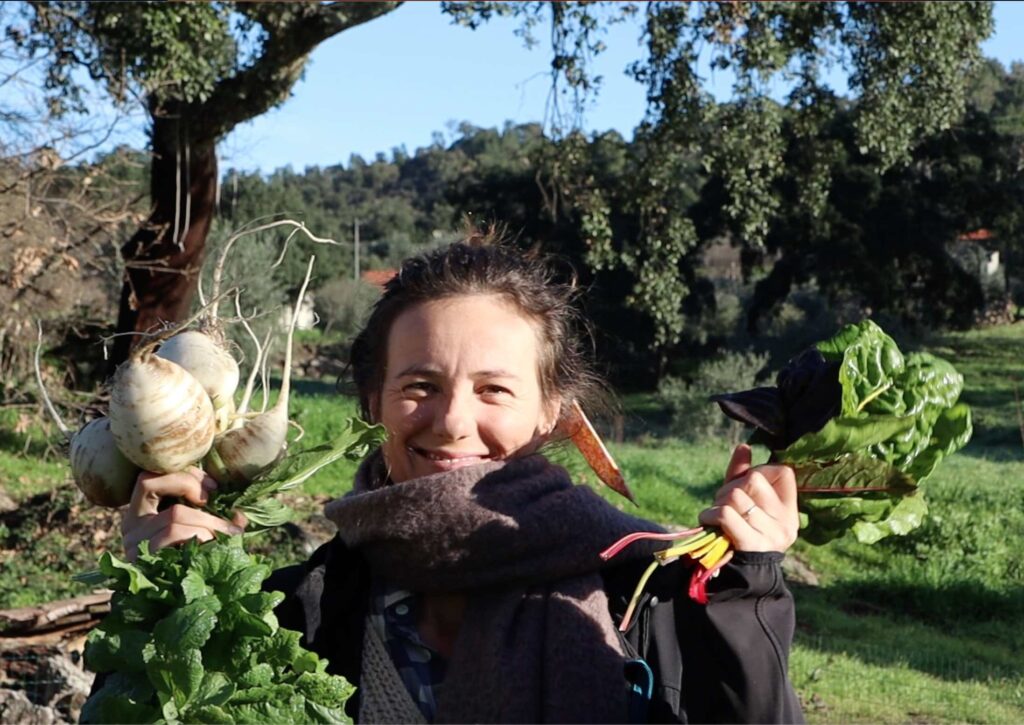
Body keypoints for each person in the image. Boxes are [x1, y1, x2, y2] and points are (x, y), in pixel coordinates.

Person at [120, 231, 804, 724]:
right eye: (420, 384)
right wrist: (165, 603)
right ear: (373, 402)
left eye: (494, 390)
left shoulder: (647, 593)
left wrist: (749, 594)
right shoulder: (298, 614)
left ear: (552, 415)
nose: (451, 421)